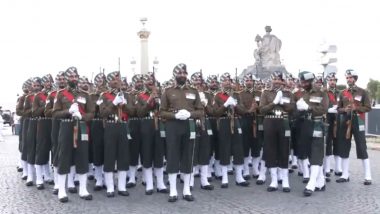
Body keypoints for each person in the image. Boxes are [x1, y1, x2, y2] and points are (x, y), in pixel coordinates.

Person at [160, 63, 203, 202]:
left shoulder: (194, 91)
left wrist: (190, 114)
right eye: (180, 73)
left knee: (188, 156)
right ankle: (173, 190)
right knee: (172, 156)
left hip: (189, 125)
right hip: (173, 125)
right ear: (175, 75)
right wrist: (175, 116)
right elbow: (161, 112)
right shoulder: (167, 91)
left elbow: (201, 111)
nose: (182, 75)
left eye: (184, 73)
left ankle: (186, 190)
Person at [53, 67, 94, 202]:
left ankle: (83, 189)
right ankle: (62, 190)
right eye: (71, 77)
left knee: (82, 157)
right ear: (66, 78)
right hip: (66, 127)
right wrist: (68, 111)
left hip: (81, 126)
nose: (74, 79)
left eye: (75, 76)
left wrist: (81, 116)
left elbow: (92, 113)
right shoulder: (60, 94)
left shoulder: (85, 95)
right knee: (64, 156)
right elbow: (54, 113)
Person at [99, 71, 134, 197]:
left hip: (123, 125)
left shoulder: (127, 95)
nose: (117, 81)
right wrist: (113, 103)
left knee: (123, 156)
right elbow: (102, 113)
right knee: (109, 155)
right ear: (109, 81)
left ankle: (122, 186)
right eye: (114, 79)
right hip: (110, 125)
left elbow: (132, 111)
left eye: (118, 79)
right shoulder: (104, 95)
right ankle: (109, 187)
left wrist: (124, 105)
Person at [259, 71, 295, 192]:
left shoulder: (288, 93)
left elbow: (292, 108)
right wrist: (274, 102)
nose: (276, 82)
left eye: (279, 80)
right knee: (270, 150)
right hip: (270, 121)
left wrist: (282, 102)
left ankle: (285, 180)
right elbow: (262, 110)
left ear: (283, 81)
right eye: (274, 79)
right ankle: (274, 181)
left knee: (284, 150)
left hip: (283, 122)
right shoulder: (266, 93)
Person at [212, 72, 249, 189]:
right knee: (224, 148)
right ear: (221, 83)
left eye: (229, 80)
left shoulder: (237, 95)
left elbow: (243, 110)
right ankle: (224, 177)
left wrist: (236, 106)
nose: (227, 82)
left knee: (238, 148)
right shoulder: (218, 96)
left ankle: (239, 177)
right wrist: (225, 105)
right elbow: (215, 113)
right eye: (224, 80)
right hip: (224, 122)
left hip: (236, 121)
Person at [295, 71, 328, 197]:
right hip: (306, 125)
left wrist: (308, 108)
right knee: (310, 152)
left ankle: (311, 183)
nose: (302, 84)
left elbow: (323, 109)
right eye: (301, 82)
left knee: (316, 151)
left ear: (310, 81)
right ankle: (321, 181)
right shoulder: (304, 94)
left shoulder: (321, 92)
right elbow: (299, 110)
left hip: (317, 124)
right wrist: (298, 109)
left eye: (304, 82)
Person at [336, 69, 372, 185]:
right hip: (345, 120)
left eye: (350, 77)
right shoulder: (342, 93)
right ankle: (345, 174)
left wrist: (356, 108)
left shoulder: (362, 92)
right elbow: (338, 109)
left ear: (355, 78)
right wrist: (344, 109)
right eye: (347, 78)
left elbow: (368, 107)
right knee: (344, 146)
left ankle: (368, 176)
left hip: (358, 120)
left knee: (361, 146)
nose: (348, 79)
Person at [135, 72, 168, 194]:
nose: (150, 83)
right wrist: (150, 100)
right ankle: (149, 183)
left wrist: (158, 99)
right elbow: (140, 113)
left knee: (159, 155)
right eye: (148, 81)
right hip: (146, 125)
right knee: (147, 154)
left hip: (159, 125)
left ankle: (160, 183)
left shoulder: (162, 95)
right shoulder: (140, 96)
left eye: (152, 81)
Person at [324, 73, 341, 181]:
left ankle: (338, 167)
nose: (332, 82)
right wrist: (329, 108)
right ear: (327, 81)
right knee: (328, 142)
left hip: (338, 118)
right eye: (330, 80)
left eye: (334, 80)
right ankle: (327, 167)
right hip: (328, 118)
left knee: (338, 141)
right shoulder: (324, 92)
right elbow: (322, 104)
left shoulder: (340, 92)